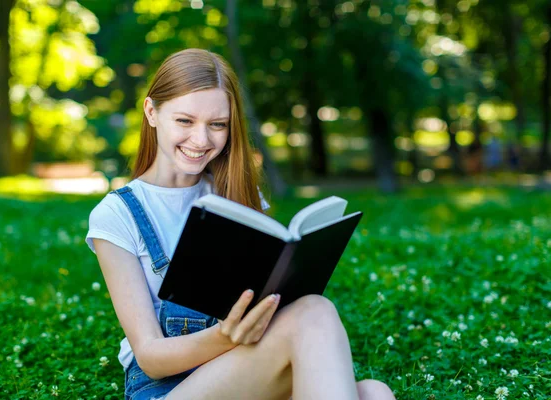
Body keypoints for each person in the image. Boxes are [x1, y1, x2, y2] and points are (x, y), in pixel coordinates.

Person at [86, 48, 396, 400]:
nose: (201, 141)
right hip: (165, 389)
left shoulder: (235, 196)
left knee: (375, 393)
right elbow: (151, 357)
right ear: (152, 112)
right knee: (315, 312)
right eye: (185, 121)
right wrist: (226, 335)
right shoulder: (118, 213)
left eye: (217, 125)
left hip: (244, 373)